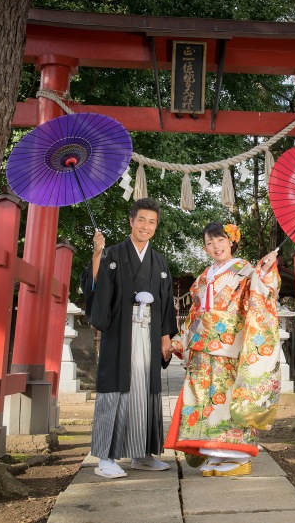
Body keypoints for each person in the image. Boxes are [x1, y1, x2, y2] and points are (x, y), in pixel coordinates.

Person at [164, 222, 281, 477]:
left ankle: (239, 456)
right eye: (209, 243)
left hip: (230, 346)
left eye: (220, 240)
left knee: (227, 400)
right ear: (205, 248)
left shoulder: (246, 270)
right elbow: (195, 314)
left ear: (231, 241)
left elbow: (263, 291)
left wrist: (268, 270)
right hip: (201, 348)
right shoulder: (204, 277)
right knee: (205, 402)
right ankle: (216, 453)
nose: (215, 246)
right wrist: (181, 341)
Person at [81, 198, 178, 479]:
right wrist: (98, 254)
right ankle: (106, 457)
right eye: (141, 220)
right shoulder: (112, 254)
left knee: (145, 392)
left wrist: (164, 337)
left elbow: (165, 302)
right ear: (131, 221)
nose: (146, 226)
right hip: (120, 333)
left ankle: (142, 453)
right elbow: (95, 287)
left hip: (149, 334)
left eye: (152, 222)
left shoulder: (158, 260)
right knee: (115, 390)